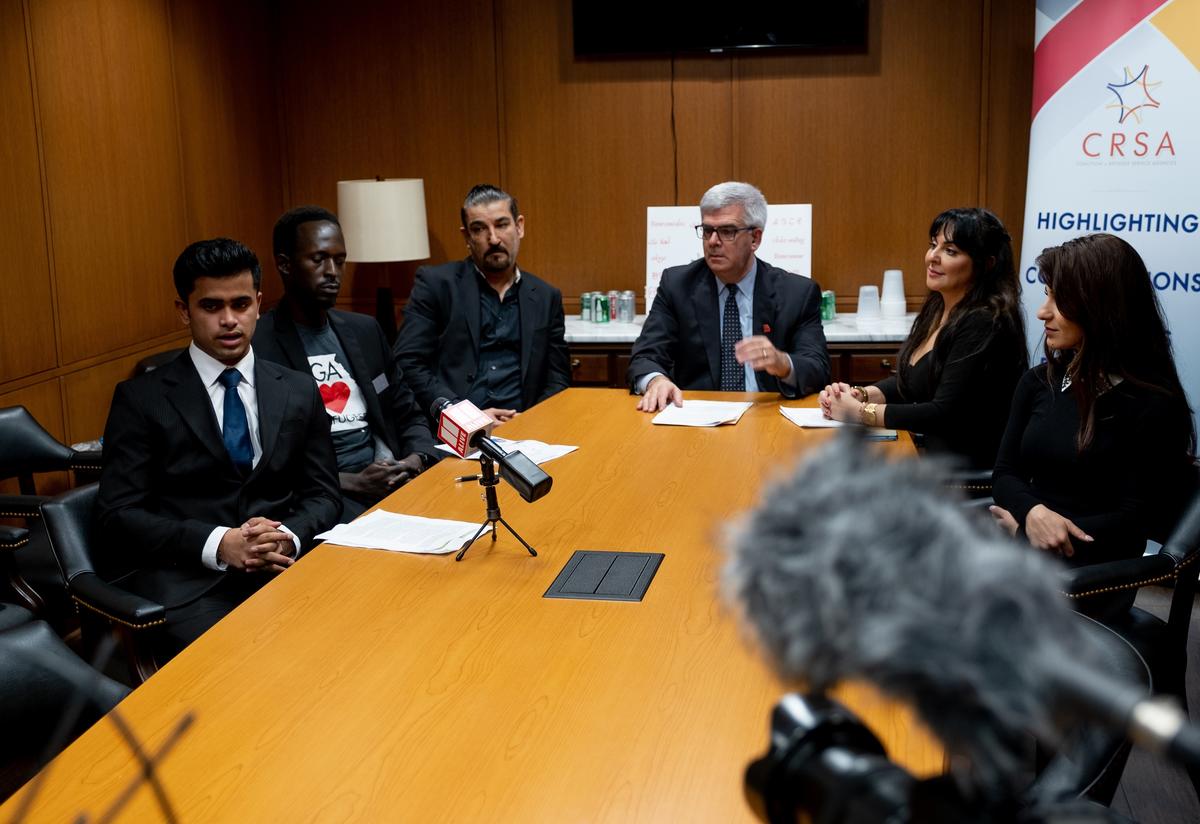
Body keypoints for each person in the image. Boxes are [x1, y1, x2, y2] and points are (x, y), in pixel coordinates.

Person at [97, 238, 341, 657]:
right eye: (211, 307)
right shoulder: (141, 399)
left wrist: (287, 535)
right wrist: (218, 543)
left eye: (241, 304)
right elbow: (117, 517)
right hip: (192, 583)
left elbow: (323, 493)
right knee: (251, 665)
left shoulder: (298, 389)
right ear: (183, 311)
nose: (229, 320)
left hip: (288, 567)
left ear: (259, 304)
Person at [990, 233, 1195, 567]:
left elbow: (1132, 520)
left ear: (1102, 307)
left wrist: (1024, 534)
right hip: (1023, 551)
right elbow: (1005, 473)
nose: (1042, 313)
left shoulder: (1154, 405)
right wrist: (1032, 514)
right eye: (1046, 294)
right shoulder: (1037, 383)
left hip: (1090, 575)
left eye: (1060, 300)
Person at [255, 206, 441, 520]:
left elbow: (408, 412)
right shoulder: (259, 345)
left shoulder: (364, 331)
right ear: (285, 265)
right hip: (324, 495)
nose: (333, 272)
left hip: (392, 477)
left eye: (340, 261)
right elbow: (265, 459)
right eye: (319, 260)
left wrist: (415, 460)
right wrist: (352, 482)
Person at [819, 208, 1027, 469]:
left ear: (987, 263)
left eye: (950, 251)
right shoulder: (938, 308)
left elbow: (943, 413)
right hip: (930, 458)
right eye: (933, 245)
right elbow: (909, 383)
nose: (933, 257)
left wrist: (859, 413)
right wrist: (859, 394)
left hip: (965, 477)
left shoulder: (985, 321)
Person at [627, 181, 830, 412]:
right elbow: (645, 355)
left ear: (755, 239)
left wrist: (784, 364)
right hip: (696, 418)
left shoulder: (797, 293)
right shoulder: (678, 285)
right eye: (707, 230)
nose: (713, 241)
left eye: (727, 231)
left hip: (768, 414)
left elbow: (818, 368)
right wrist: (656, 381)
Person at [393, 184, 570, 423]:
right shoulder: (436, 285)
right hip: (455, 430)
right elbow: (408, 362)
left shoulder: (546, 297)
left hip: (526, 428)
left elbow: (557, 377)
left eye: (501, 224)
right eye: (479, 229)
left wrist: (530, 422)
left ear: (519, 227)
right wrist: (464, 417)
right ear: (467, 236)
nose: (493, 239)